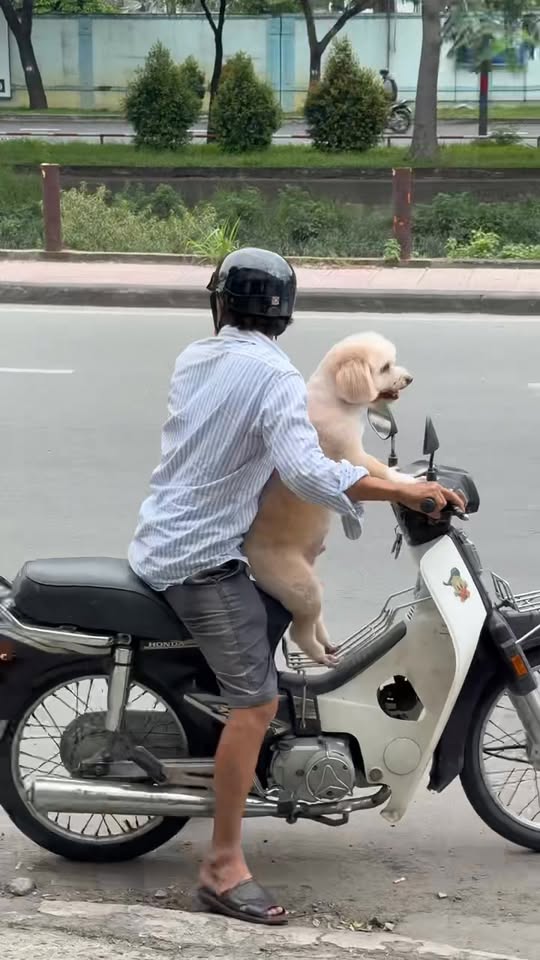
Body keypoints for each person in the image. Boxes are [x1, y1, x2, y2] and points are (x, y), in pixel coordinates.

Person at [128, 247, 465, 927]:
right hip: (201, 558)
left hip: (166, 534)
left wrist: (388, 479)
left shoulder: (198, 355)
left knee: (288, 608)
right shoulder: (276, 377)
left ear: (220, 302)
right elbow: (310, 475)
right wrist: (399, 491)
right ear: (284, 314)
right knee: (255, 702)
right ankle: (222, 865)